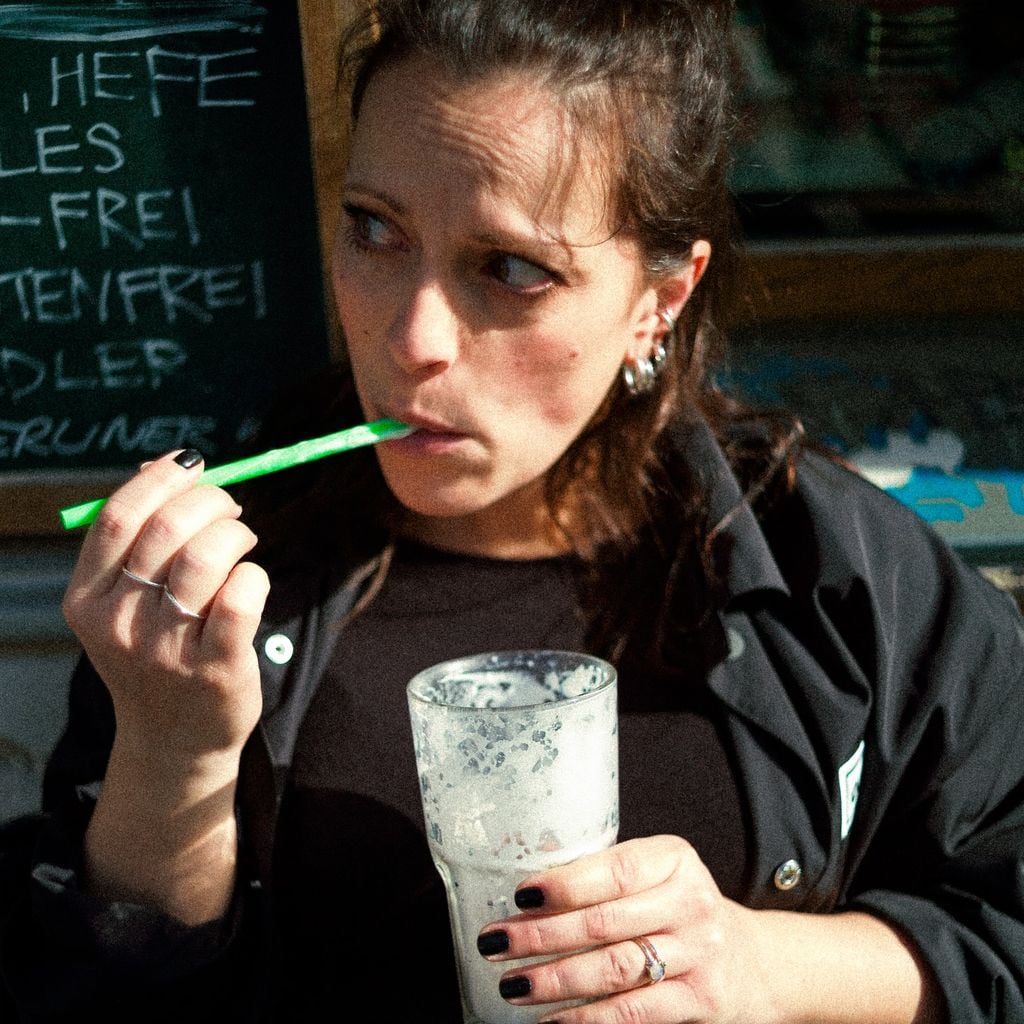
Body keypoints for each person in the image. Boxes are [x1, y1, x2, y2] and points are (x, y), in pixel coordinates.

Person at [2, 0, 1023, 1021]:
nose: (414, 339)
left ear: (659, 302)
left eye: (512, 269)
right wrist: (172, 755)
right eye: (375, 228)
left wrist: (766, 964)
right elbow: (100, 998)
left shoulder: (829, 566)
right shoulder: (227, 582)